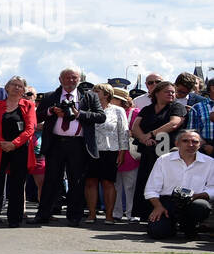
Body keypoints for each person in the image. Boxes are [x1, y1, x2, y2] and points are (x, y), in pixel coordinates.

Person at [31, 67, 105, 226]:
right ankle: (43, 214)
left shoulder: (89, 96)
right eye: (67, 78)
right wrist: (51, 111)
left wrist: (79, 114)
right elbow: (36, 116)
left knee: (76, 182)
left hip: (78, 144)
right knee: (50, 181)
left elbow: (101, 116)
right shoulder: (51, 96)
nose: (71, 81)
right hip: (55, 143)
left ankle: (74, 216)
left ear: (79, 80)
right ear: (60, 80)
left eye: (74, 78)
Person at [0, 75, 36, 226]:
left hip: (20, 149)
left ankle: (15, 218)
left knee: (17, 185)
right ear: (7, 87)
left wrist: (14, 144)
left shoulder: (29, 105)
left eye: (20, 86)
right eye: (13, 84)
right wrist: (1, 143)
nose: (16, 87)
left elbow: (30, 128)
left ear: (24, 90)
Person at [130, 80, 187, 222]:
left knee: (163, 182)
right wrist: (144, 138)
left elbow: (174, 123)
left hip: (167, 153)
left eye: (173, 92)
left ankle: (165, 215)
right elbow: (136, 126)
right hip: (148, 152)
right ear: (156, 93)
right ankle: (145, 213)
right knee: (146, 180)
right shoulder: (147, 109)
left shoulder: (177, 107)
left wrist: (151, 134)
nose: (171, 94)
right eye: (167, 91)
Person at [143, 130, 214, 239]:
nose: (190, 145)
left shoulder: (210, 163)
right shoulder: (163, 160)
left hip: (193, 201)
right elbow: (151, 189)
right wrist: (158, 207)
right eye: (185, 141)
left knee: (201, 206)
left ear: (200, 145)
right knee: (157, 232)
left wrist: (197, 196)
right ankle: (171, 226)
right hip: (168, 202)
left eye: (195, 142)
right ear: (177, 143)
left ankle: (190, 225)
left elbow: (212, 188)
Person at [86, 83, 130, 224]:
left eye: (97, 91)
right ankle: (92, 214)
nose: (93, 93)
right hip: (90, 150)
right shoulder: (87, 109)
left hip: (110, 151)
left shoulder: (118, 111)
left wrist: (123, 152)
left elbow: (123, 132)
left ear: (106, 94)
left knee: (108, 182)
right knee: (90, 182)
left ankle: (109, 216)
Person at [113, 88, 142, 222]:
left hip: (130, 153)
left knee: (131, 185)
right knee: (115, 185)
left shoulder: (135, 112)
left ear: (121, 100)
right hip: (113, 151)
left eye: (113, 98)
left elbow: (142, 130)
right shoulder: (109, 111)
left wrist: (132, 133)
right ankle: (116, 212)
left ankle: (132, 213)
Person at [175, 72, 214, 158]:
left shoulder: (198, 101)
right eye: (181, 91)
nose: (183, 93)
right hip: (203, 148)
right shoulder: (167, 98)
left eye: (187, 91)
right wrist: (204, 146)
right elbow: (193, 130)